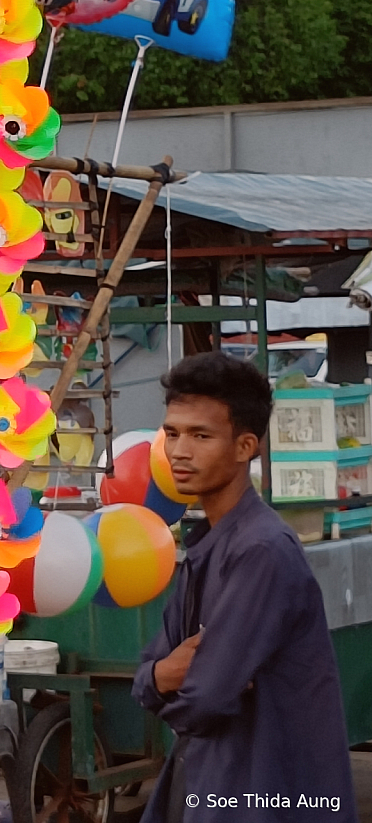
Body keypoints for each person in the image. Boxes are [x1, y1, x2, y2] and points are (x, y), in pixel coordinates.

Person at [132, 352, 356, 822]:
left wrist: (180, 679)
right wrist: (163, 676)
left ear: (245, 446)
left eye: (201, 435)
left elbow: (205, 697)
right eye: (172, 433)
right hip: (210, 783)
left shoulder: (262, 550)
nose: (179, 451)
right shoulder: (208, 542)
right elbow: (154, 673)